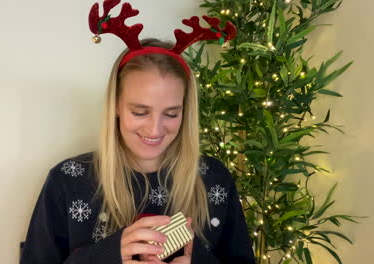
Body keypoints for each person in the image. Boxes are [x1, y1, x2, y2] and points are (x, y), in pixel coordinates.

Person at [21, 2, 255, 263]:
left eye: (171, 113)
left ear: (186, 111)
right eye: (140, 112)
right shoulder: (67, 181)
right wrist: (107, 255)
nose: (154, 129)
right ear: (116, 106)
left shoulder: (214, 179)